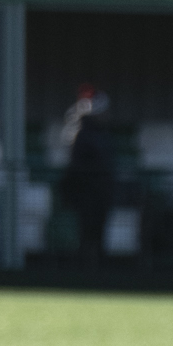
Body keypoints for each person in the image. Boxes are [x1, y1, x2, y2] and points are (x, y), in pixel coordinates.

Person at [61, 89, 114, 257]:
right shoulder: (83, 134)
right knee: (86, 232)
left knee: (98, 233)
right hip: (87, 194)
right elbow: (79, 164)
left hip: (101, 193)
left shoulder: (104, 135)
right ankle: (84, 267)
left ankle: (98, 266)